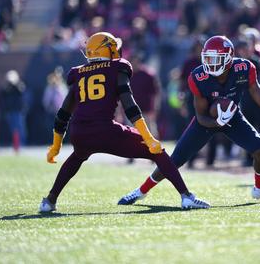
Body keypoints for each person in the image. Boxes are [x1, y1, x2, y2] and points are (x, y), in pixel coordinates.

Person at [38, 32, 209, 213]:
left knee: (76, 157)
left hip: (80, 132)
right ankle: (186, 196)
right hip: (106, 130)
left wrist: (56, 146)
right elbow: (130, 107)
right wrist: (148, 137)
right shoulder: (117, 68)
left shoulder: (78, 73)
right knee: (159, 153)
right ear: (108, 50)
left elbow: (63, 113)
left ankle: (49, 201)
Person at [118, 35, 260, 205]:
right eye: (208, 58)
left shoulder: (244, 68)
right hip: (206, 121)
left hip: (233, 117)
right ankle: (141, 191)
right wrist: (218, 122)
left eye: (216, 59)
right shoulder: (199, 76)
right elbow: (201, 116)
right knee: (174, 160)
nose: (211, 63)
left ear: (229, 58)